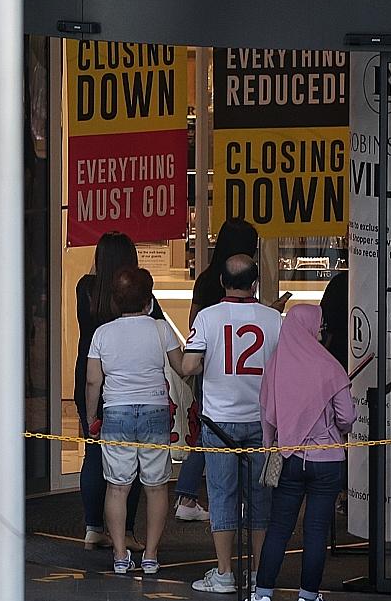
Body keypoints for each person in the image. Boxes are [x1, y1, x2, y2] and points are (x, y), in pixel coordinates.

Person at [179, 255, 283, 594]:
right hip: (261, 421)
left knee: (222, 496)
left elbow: (190, 365)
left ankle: (224, 573)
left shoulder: (208, 318)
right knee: (259, 498)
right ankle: (257, 574)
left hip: (219, 422)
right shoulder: (273, 319)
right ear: (255, 283)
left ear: (223, 282)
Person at [248, 304, 355, 601]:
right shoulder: (330, 366)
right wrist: (338, 428)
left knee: (279, 527)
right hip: (327, 461)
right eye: (319, 327)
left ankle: (262, 595)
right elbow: (346, 417)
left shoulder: (276, 364)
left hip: (289, 458)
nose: (321, 333)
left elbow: (267, 415)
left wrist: (272, 447)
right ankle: (308, 599)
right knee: (316, 530)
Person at [86, 266, 185, 575]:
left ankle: (119, 556)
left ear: (115, 302)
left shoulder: (102, 334)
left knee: (117, 487)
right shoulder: (161, 329)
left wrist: (91, 418)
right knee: (156, 488)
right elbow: (181, 366)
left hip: (116, 413)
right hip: (155, 412)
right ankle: (151, 556)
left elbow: (92, 382)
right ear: (148, 300)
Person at [75, 232, 157, 550]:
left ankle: (93, 528)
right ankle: (126, 533)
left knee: (93, 453)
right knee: (132, 460)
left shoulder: (85, 288)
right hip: (130, 382)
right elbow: (155, 323)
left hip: (90, 375)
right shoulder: (138, 296)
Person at [176, 218, 261, 522]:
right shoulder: (245, 285)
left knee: (209, 430)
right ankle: (191, 494)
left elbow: (193, 324)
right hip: (244, 376)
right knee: (224, 434)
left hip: (210, 369)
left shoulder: (206, 279)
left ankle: (188, 493)